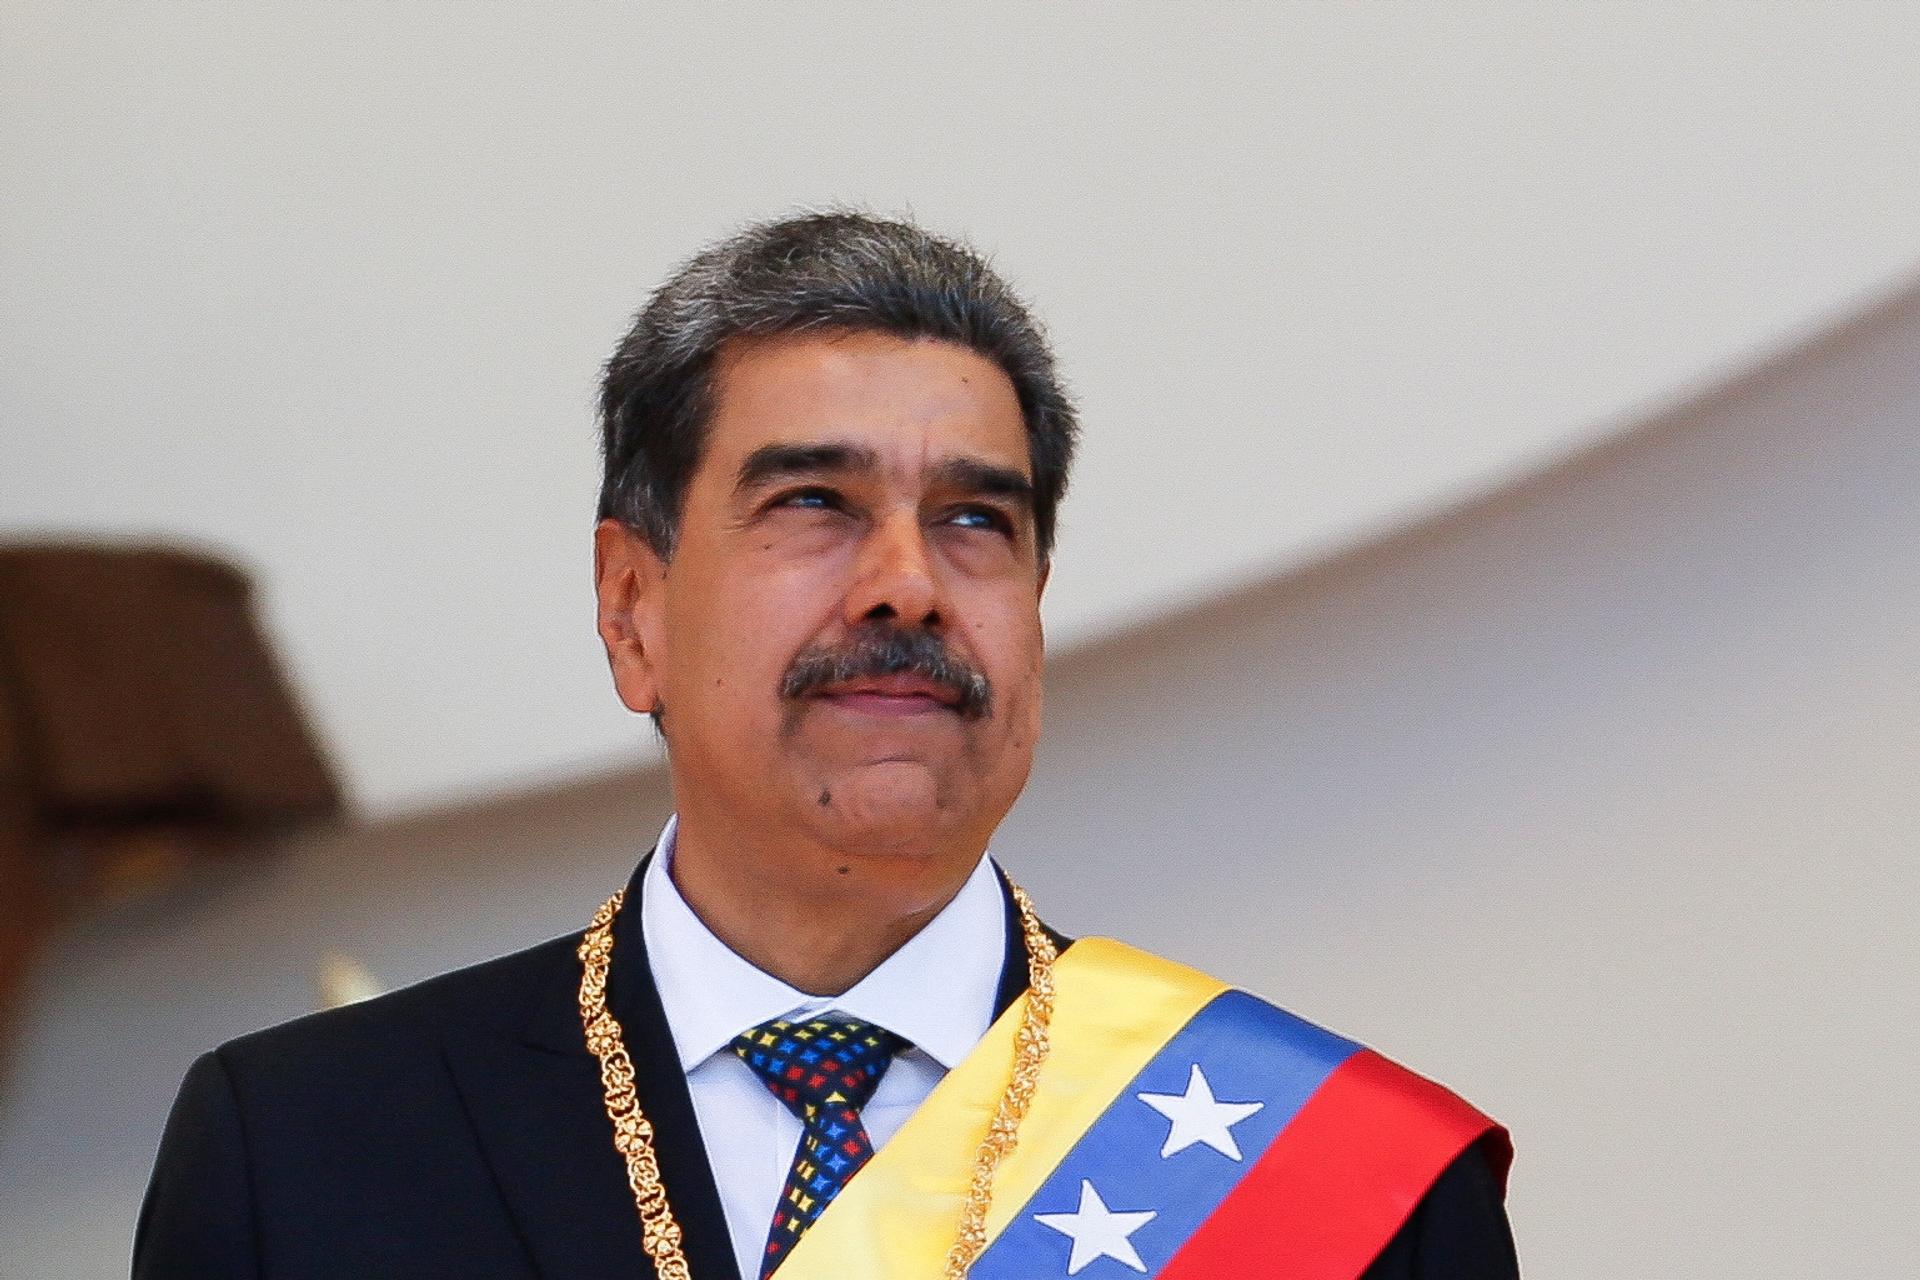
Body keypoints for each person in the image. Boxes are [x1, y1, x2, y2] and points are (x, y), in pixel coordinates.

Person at [135, 211, 1517, 1279]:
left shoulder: (1342, 1187)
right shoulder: (303, 1154)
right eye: (814, 500)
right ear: (633, 610)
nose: (910, 585)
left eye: (980, 521)